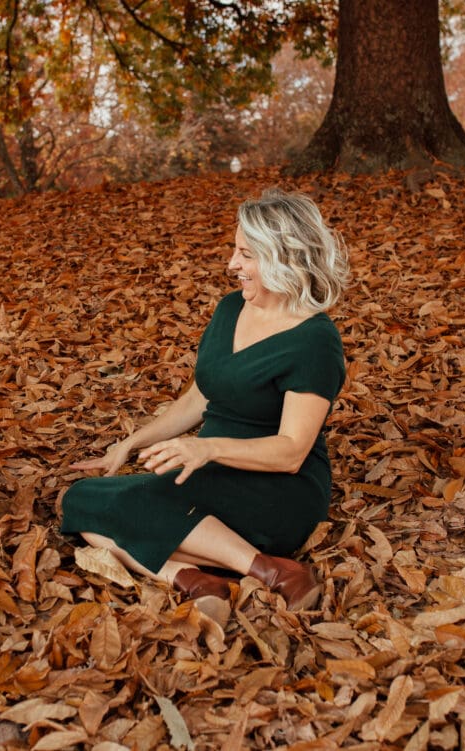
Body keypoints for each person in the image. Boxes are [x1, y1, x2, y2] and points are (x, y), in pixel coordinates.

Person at [61, 188, 349, 611]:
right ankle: (196, 580)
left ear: (282, 256)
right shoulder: (231, 308)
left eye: (245, 254)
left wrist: (205, 447)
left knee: (117, 513)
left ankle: (274, 572)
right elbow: (199, 398)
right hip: (208, 473)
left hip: (278, 489)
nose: (232, 265)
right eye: (235, 251)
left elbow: (290, 451)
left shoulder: (315, 341)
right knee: (83, 500)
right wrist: (130, 443)